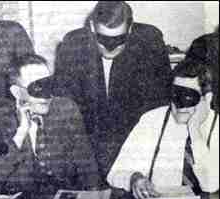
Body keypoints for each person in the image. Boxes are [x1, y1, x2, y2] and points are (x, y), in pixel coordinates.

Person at [54, 1, 172, 178]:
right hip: (88, 148)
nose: (110, 47)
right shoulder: (73, 46)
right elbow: (67, 113)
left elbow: (158, 107)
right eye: (103, 39)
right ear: (92, 27)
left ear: (130, 29)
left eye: (118, 40)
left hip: (136, 145)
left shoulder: (149, 43)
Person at [0, 54, 100, 193]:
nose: (46, 96)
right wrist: (21, 132)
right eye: (36, 88)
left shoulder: (66, 109)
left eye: (49, 85)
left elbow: (88, 170)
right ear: (17, 92)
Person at [108, 63, 219, 199]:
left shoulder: (217, 126)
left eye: (188, 97)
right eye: (175, 95)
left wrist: (195, 131)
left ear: (206, 99)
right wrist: (134, 179)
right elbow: (115, 173)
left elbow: (212, 184)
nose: (179, 105)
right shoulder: (152, 120)